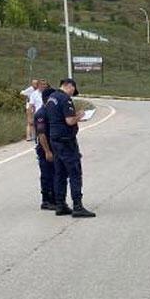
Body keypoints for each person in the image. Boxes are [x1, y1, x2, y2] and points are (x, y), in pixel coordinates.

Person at [45, 78, 96, 218]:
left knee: (60, 174)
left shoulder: (51, 98)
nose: (72, 93)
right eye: (73, 90)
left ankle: (60, 205)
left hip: (54, 139)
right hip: (66, 141)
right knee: (74, 173)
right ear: (69, 86)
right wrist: (79, 115)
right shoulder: (64, 99)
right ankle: (78, 206)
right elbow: (69, 121)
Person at [34, 87, 57, 211]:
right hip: (45, 148)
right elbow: (41, 134)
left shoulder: (51, 112)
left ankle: (55, 198)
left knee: (55, 173)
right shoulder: (41, 114)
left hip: (54, 147)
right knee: (47, 174)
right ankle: (46, 200)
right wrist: (47, 151)